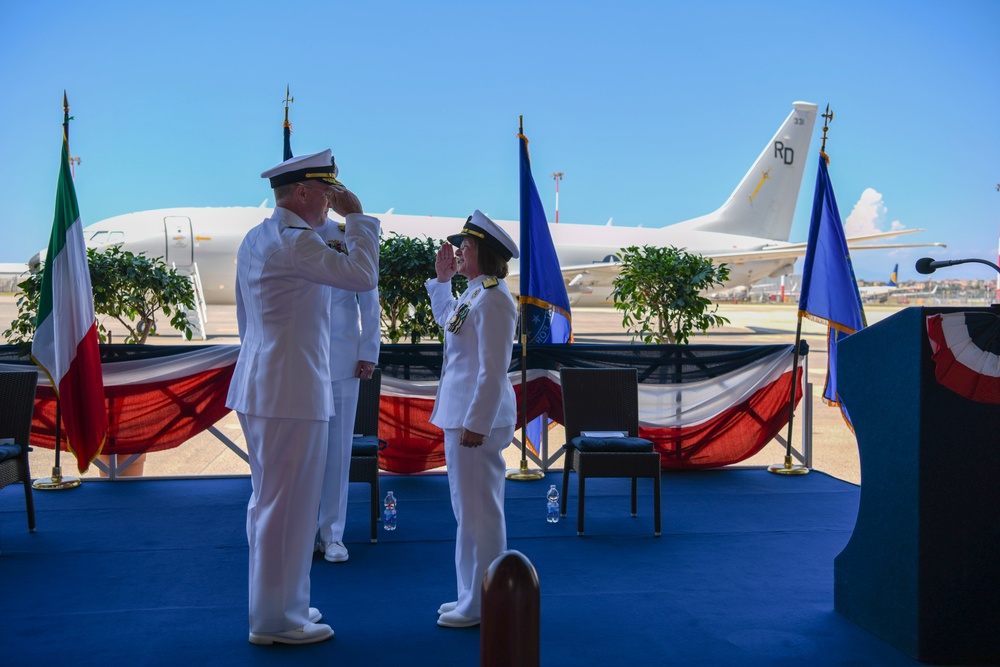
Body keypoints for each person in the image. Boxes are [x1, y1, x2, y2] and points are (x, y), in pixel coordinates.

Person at [226, 149, 380, 646]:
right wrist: (357, 218)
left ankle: (281, 603)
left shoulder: (258, 237)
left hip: (263, 385)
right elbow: (361, 275)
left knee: (270, 503)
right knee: (287, 507)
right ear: (304, 193)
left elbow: (246, 321)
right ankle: (275, 621)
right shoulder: (295, 243)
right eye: (328, 193)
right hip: (290, 391)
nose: (331, 202)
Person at [425, 210, 519, 629]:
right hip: (461, 415)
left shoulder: (496, 298)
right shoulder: (474, 293)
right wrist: (443, 281)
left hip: (476, 420)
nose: (459, 252)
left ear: (485, 253)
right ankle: (471, 595)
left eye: (465, 247)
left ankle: (483, 603)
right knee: (468, 510)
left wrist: (477, 423)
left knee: (480, 511)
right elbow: (448, 322)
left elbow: (493, 370)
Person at [315, 217, 381, 563]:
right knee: (303, 455)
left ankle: (333, 534)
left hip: (341, 359)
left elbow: (369, 297)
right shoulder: (292, 233)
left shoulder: (346, 235)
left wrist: (368, 351)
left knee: (338, 453)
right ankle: (303, 532)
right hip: (300, 362)